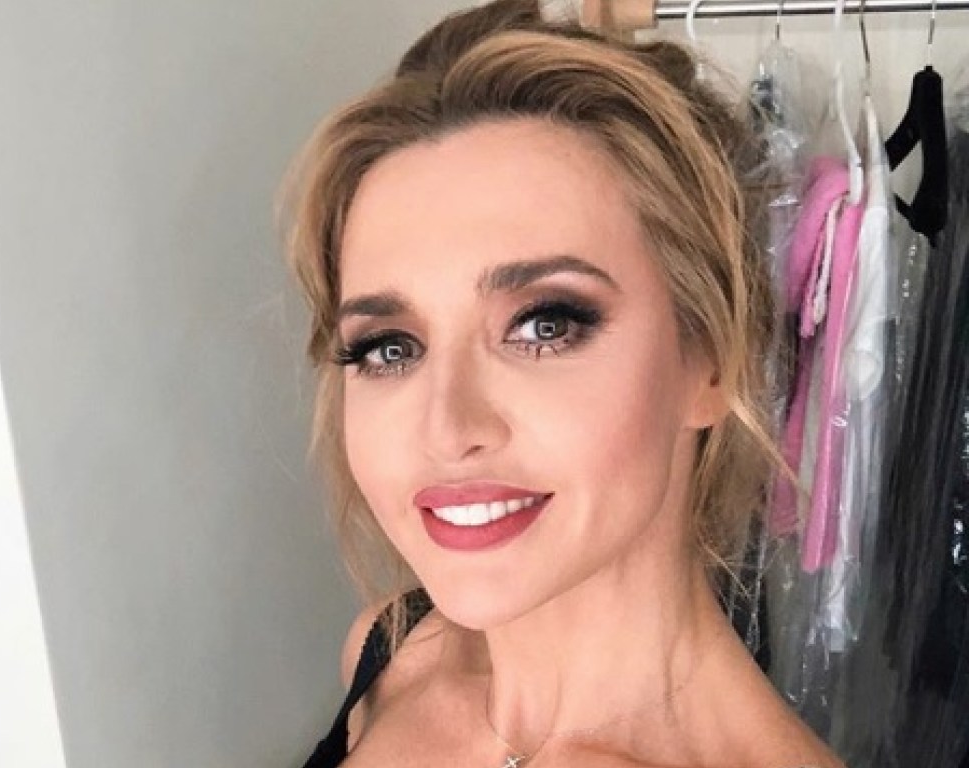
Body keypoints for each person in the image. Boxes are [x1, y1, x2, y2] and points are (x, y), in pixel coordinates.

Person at [285, 1, 846, 766]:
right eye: (389, 348)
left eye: (544, 325)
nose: (446, 430)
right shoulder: (391, 653)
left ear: (711, 357)